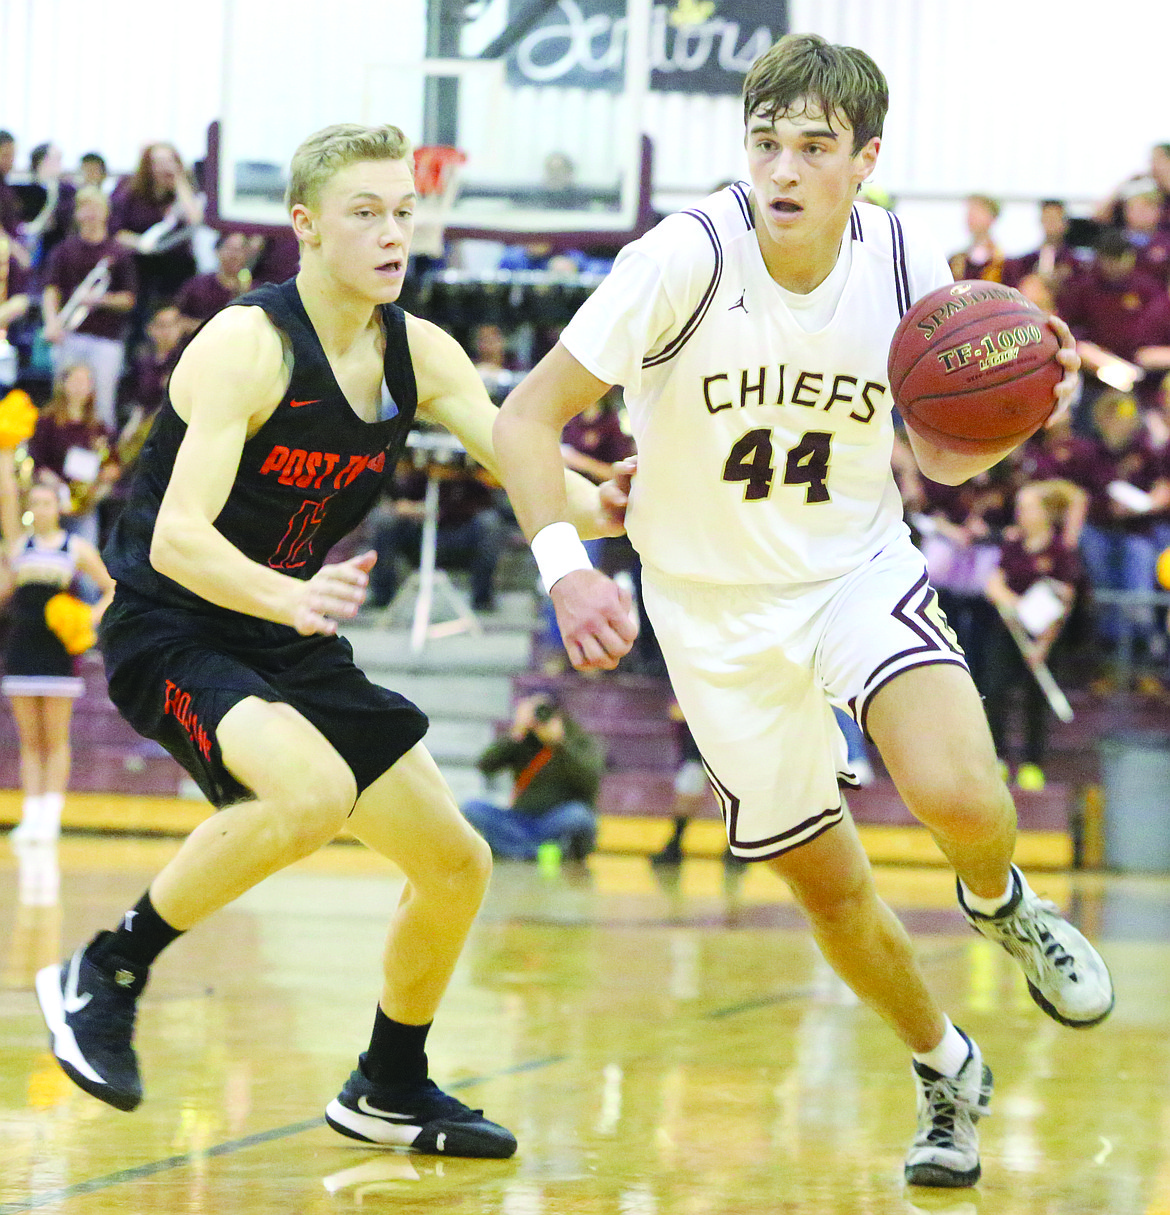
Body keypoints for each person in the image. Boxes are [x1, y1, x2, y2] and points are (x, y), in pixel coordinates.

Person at [493, 33, 1114, 1190]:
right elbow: (524, 419)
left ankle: (1001, 901)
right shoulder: (684, 257)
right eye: (766, 142)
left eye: (813, 147)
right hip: (705, 608)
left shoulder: (897, 257)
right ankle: (944, 1068)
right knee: (829, 887)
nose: (782, 168)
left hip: (851, 571)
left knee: (963, 793)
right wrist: (566, 566)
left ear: (864, 161)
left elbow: (943, 451)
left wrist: (1021, 399)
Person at [34, 122, 624, 1156]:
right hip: (173, 622)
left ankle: (388, 1084)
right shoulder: (247, 345)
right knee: (309, 793)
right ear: (305, 227)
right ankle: (106, 968)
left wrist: (614, 505)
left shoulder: (419, 350)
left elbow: (520, 458)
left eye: (404, 211)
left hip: (283, 627)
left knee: (457, 863)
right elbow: (175, 539)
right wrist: (284, 595)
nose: (395, 233)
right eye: (367, 213)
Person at [2, 481, 115, 841]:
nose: (41, 509)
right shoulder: (17, 546)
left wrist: (89, 617)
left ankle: (50, 817)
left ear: (59, 508)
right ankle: (31, 815)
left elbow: (112, 588)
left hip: (58, 653)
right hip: (21, 649)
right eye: (34, 502)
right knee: (29, 741)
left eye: (47, 502)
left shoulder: (75, 547)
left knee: (56, 738)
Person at [978, 480, 1084, 791]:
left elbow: (1064, 602)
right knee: (994, 691)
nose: (1020, 513)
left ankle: (1032, 764)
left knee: (1034, 700)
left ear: (1044, 514)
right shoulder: (1013, 544)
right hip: (1008, 631)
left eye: (1026, 508)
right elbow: (994, 585)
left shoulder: (1061, 552)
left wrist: (1042, 645)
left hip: (1042, 638)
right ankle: (995, 759)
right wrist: (1017, 604)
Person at [461, 693, 603, 861]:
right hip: (518, 820)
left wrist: (560, 743)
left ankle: (514, 850)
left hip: (555, 821)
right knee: (471, 807)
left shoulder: (577, 740)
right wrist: (516, 733)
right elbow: (486, 766)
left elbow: (591, 782)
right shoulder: (522, 739)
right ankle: (538, 852)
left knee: (580, 816)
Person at [41, 185, 137, 429]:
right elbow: (51, 289)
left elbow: (129, 299)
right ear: (77, 214)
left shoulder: (118, 253)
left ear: (106, 212)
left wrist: (98, 300)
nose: (90, 213)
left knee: (103, 404)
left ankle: (101, 457)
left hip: (106, 340)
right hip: (69, 336)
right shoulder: (64, 250)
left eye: (95, 207)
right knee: (63, 401)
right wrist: (52, 322)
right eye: (84, 208)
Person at [948, 194, 1005, 282]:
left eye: (977, 212)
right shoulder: (956, 262)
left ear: (992, 218)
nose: (971, 217)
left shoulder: (1003, 264)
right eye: (970, 212)